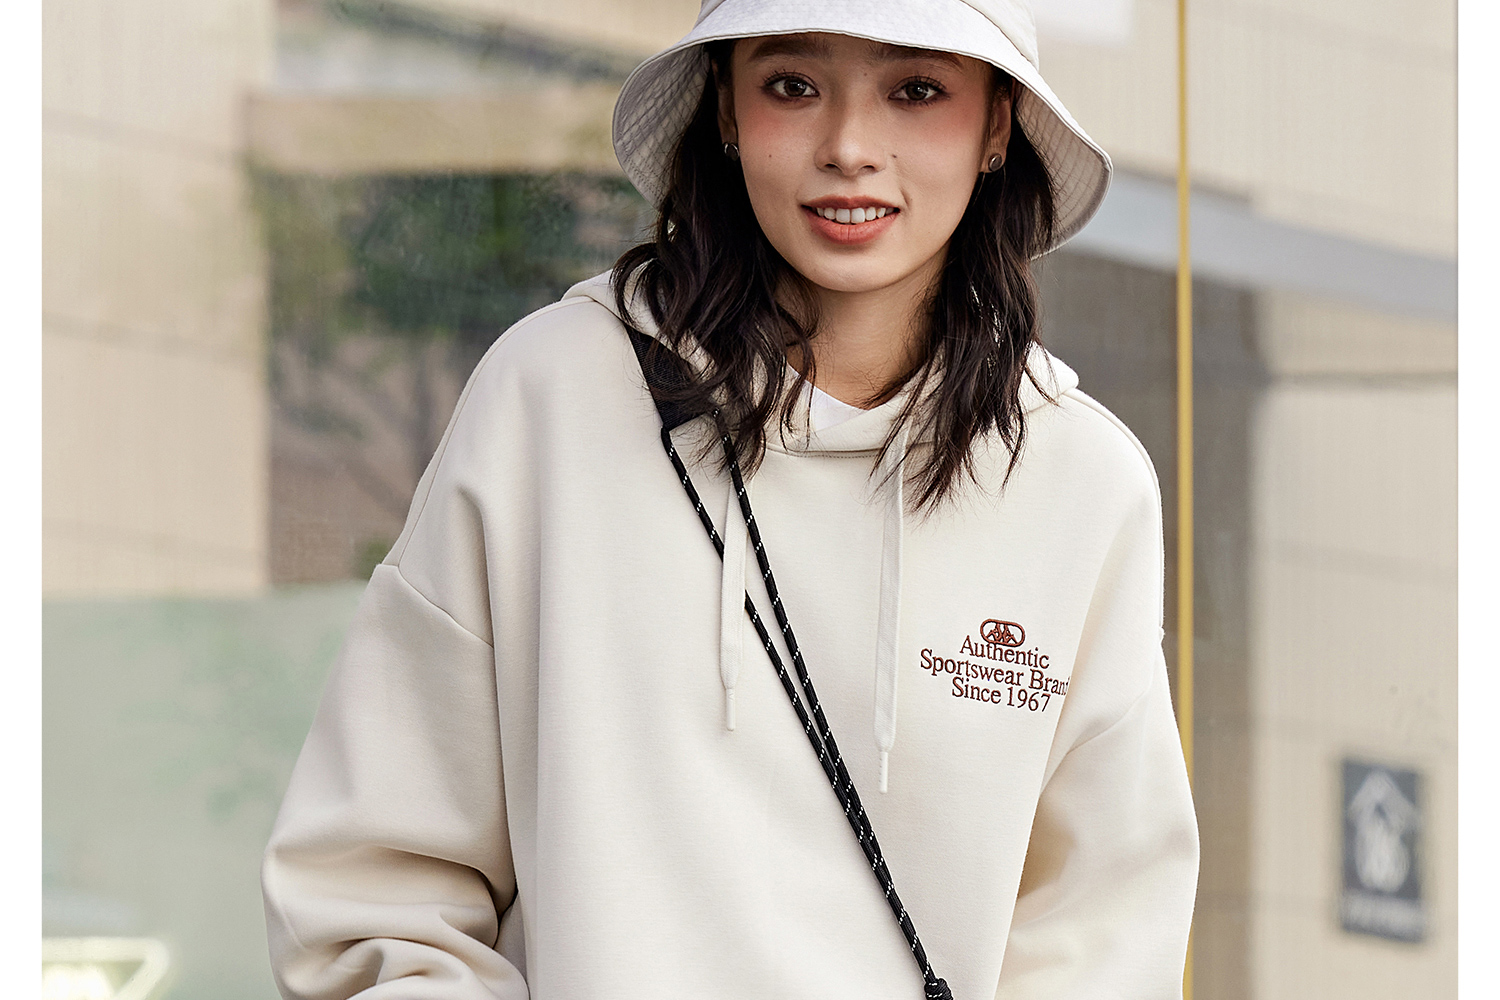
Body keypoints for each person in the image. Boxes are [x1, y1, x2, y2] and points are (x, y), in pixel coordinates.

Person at [261, 1, 1199, 998]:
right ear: (725, 107)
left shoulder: (1081, 486)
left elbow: (1102, 933)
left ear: (997, 123)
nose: (849, 148)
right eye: (792, 86)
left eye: (917, 90)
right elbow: (373, 887)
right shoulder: (554, 398)